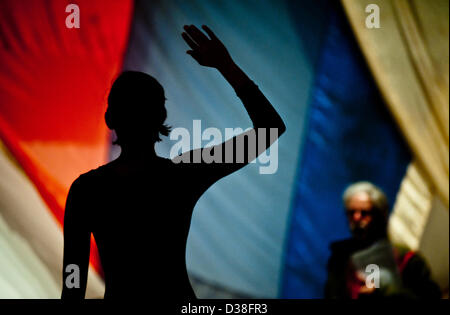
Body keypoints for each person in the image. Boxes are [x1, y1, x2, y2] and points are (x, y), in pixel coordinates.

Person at [61, 25, 286, 300]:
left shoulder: (86, 190)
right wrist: (226, 67)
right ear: (161, 118)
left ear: (110, 119)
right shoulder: (183, 175)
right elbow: (270, 128)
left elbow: (73, 276)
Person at [325, 181, 441, 299]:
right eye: (351, 213)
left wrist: (386, 292)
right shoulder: (339, 259)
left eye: (364, 213)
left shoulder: (407, 259)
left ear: (379, 215)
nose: (356, 218)